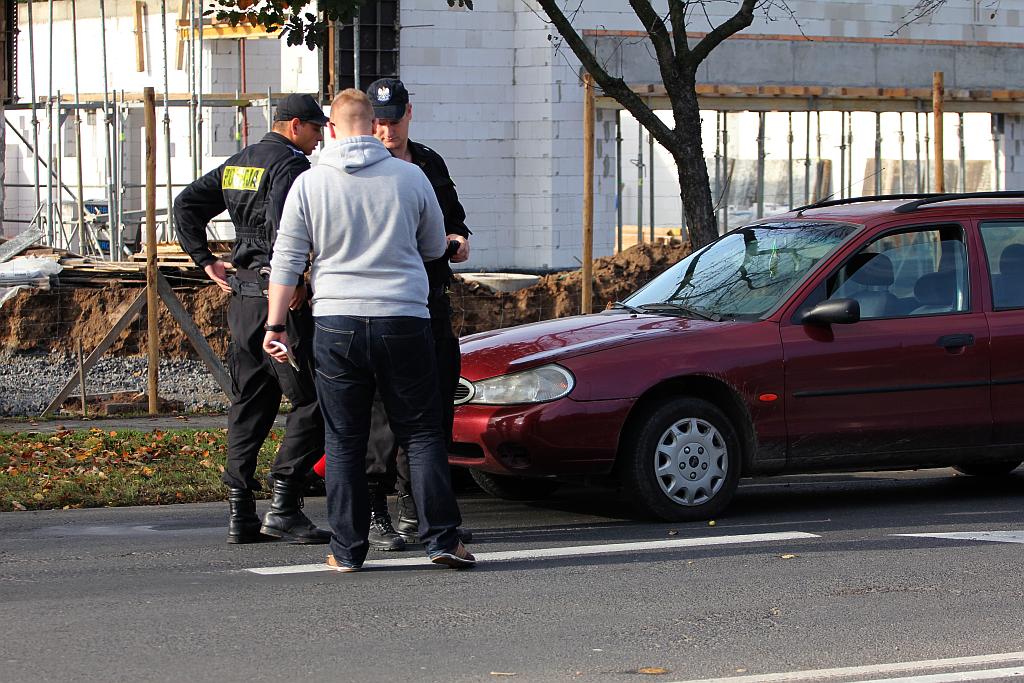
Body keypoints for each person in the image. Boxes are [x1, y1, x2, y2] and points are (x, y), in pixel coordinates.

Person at [263, 88, 475, 571]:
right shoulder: (411, 177)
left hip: (336, 322)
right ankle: (442, 539)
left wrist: (275, 324)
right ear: (373, 123)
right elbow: (432, 248)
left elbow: (287, 260)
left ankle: (346, 550)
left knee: (343, 438)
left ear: (332, 129)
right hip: (404, 317)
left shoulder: (310, 184)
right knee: (421, 433)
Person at [174, 93, 331, 545]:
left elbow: (186, 205)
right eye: (316, 129)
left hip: (242, 300)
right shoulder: (291, 167)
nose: (319, 140)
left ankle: (239, 511)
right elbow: (287, 229)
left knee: (250, 403)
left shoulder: (240, 162)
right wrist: (295, 278)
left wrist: (204, 258)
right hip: (280, 303)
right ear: (294, 125)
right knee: (316, 401)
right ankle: (285, 502)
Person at [363, 78, 472, 550]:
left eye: (394, 121)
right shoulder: (361, 167)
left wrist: (459, 239)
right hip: (384, 304)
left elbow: (455, 219)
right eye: (378, 123)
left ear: (409, 114)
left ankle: (418, 509)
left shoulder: (428, 162)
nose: (387, 132)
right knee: (382, 413)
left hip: (430, 300)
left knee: (434, 408)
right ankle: (373, 509)